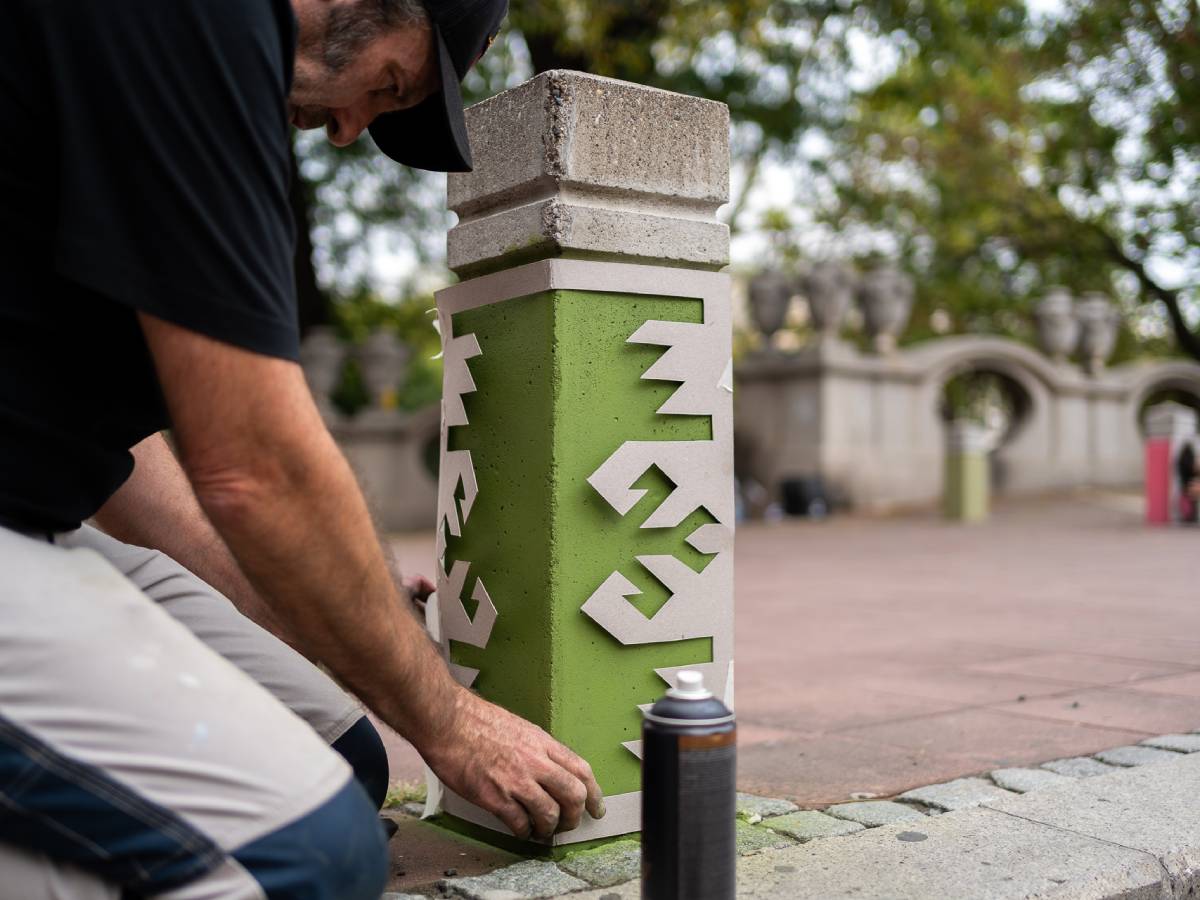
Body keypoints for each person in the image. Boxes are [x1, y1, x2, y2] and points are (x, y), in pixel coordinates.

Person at [0, 0, 603, 897]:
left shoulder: (156, 80)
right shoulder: (193, 25)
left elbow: (123, 465)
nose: (350, 128)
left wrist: (331, 594)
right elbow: (255, 468)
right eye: (391, 85)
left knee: (346, 759)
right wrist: (452, 722)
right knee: (307, 855)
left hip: (37, 510)